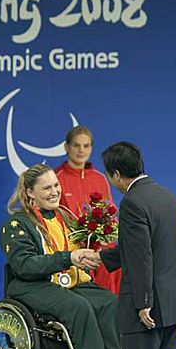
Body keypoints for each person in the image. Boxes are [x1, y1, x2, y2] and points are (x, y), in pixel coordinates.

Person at [87, 142, 176, 349]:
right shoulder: (166, 196)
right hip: (174, 303)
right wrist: (101, 258)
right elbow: (145, 248)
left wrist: (143, 302)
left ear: (115, 175)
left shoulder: (133, 202)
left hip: (147, 308)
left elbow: (141, 257)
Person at [0, 163, 123, 349]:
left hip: (66, 281)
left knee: (110, 303)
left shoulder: (65, 217)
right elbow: (24, 265)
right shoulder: (17, 224)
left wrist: (88, 255)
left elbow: (74, 252)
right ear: (29, 192)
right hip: (31, 285)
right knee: (79, 307)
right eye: (46, 188)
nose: (54, 191)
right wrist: (68, 258)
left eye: (56, 185)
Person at [55, 126, 122, 294]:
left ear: (91, 148)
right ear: (66, 147)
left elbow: (111, 214)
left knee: (111, 296)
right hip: (74, 251)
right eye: (76, 145)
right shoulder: (56, 178)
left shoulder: (99, 178)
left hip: (103, 250)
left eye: (86, 146)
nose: (81, 150)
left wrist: (108, 237)